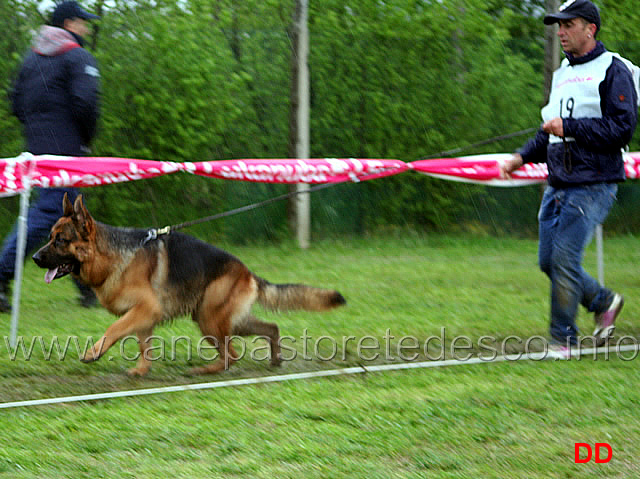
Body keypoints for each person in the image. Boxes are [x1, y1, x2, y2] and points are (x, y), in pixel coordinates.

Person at [500, 0, 638, 353]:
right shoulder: (562, 73)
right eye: (558, 26)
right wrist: (521, 156)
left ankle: (563, 340)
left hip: (594, 182)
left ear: (590, 29)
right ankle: (602, 301)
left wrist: (570, 126)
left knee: (563, 258)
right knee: (549, 260)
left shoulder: (613, 70)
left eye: (568, 25)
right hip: (559, 180)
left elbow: (622, 128)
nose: (560, 32)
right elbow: (550, 130)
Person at [0, 1, 101, 313]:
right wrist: (83, 140)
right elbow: (86, 103)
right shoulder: (77, 57)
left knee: (70, 219)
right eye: (82, 22)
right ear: (70, 23)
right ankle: (0, 274)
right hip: (67, 151)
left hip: (37, 149)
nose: (85, 28)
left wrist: (40, 132)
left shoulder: (32, 59)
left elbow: (15, 103)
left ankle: (86, 288)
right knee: (48, 214)